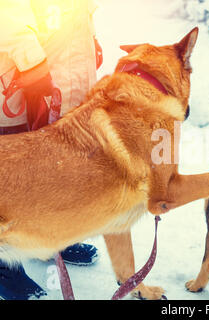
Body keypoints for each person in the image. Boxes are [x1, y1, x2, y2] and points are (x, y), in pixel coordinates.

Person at [0, 0, 103, 300]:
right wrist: (31, 62)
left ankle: (44, 239)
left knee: (52, 167)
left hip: (60, 73)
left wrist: (90, 38)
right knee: (12, 177)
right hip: (18, 74)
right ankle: (5, 264)